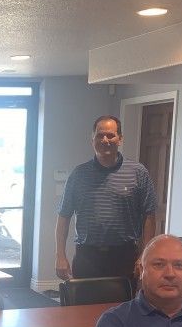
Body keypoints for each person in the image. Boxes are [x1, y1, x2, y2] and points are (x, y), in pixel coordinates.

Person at [55, 115, 158, 283]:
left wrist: (145, 255)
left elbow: (149, 216)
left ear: (120, 139)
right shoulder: (78, 174)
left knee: (123, 307)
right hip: (87, 256)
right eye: (100, 135)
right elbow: (64, 216)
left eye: (110, 135)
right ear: (92, 139)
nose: (105, 140)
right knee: (84, 308)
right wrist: (60, 255)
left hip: (125, 257)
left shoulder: (138, 172)